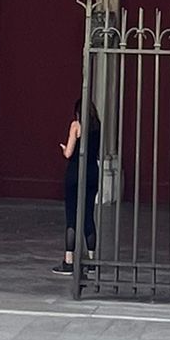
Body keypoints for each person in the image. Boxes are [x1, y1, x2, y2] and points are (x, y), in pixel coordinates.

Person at [55, 98, 102, 274]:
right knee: (88, 215)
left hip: (76, 173)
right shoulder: (97, 127)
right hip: (92, 173)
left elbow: (69, 153)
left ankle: (69, 260)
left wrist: (64, 148)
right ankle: (91, 260)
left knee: (72, 217)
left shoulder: (76, 125)